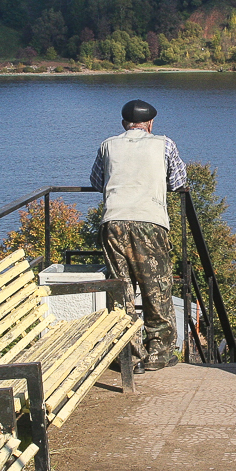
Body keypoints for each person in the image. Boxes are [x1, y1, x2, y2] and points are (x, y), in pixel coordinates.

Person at [90, 99, 188, 372]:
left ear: (124, 124)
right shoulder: (164, 144)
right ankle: (158, 353)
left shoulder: (107, 145)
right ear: (150, 124)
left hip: (113, 223)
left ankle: (130, 354)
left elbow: (97, 182)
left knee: (121, 291)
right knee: (156, 289)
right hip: (150, 223)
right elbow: (178, 182)